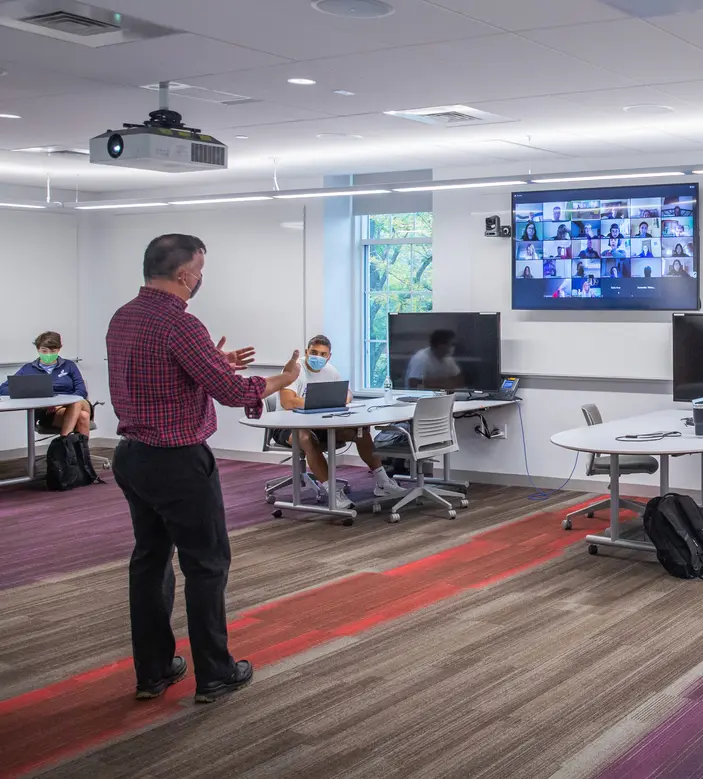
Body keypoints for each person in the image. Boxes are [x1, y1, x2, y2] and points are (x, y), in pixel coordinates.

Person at [107, 234, 301, 704]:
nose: (201, 278)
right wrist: (283, 379)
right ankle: (215, 673)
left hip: (132, 456)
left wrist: (215, 361)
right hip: (178, 461)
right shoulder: (181, 324)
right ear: (184, 275)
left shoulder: (123, 317)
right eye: (200, 269)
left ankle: (153, 671)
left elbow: (162, 373)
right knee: (207, 566)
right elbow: (233, 393)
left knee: (150, 563)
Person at [279, 335, 403, 508]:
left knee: (360, 432)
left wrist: (340, 398)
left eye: (323, 354)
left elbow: (348, 394)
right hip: (288, 426)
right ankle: (333, 492)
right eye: (314, 352)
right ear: (307, 351)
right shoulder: (296, 370)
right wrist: (322, 402)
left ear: (329, 356)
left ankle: (383, 482)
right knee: (307, 439)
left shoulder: (330, 370)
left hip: (320, 424)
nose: (318, 357)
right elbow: (287, 402)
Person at [0, 331, 91, 436]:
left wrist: (61, 403)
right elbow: (3, 389)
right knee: (83, 416)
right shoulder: (28, 369)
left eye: (53, 351)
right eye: (44, 351)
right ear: (38, 350)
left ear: (59, 350)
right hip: (50, 412)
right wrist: (29, 390)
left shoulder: (69, 365)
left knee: (77, 402)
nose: (48, 354)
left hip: (78, 404)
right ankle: (79, 451)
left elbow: (81, 390)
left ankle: (64, 439)